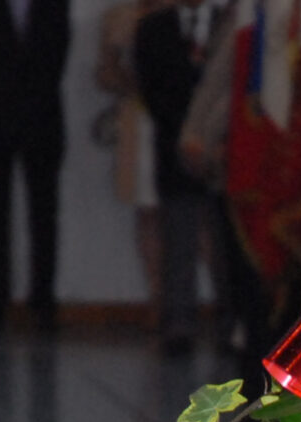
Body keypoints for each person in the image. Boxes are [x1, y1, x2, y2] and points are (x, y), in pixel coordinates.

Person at [0, 0, 69, 329]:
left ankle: (43, 300)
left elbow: (57, 54)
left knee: (44, 215)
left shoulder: (54, 4)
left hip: (41, 118)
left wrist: (24, 93)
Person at [132, 0, 226, 352]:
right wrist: (187, 135)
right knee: (178, 238)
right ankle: (178, 323)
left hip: (219, 150)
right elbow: (151, 89)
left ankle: (231, 322)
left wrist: (210, 136)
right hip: (174, 146)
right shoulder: (153, 28)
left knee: (223, 242)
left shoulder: (227, 24)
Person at [94, 0, 166, 310]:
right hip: (139, 119)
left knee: (194, 213)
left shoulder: (185, 13)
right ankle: (157, 297)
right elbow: (104, 73)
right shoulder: (119, 18)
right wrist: (126, 80)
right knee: (147, 209)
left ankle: (209, 302)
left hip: (178, 116)